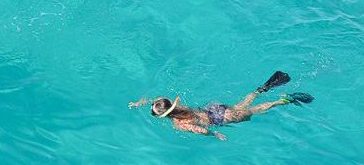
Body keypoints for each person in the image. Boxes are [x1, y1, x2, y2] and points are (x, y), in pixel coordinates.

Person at [128, 71, 314, 141]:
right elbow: (156, 100)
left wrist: (215, 134)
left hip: (220, 119)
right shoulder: (177, 105)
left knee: (252, 111)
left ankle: (282, 100)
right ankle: (261, 89)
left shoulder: (179, 123)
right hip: (215, 109)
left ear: (163, 115)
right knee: (241, 104)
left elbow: (199, 131)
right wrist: (140, 102)